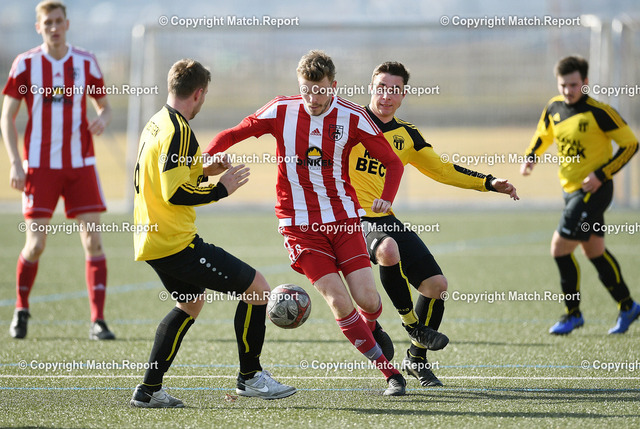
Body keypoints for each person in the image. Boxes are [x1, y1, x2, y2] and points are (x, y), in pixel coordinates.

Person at [205, 50, 450, 396]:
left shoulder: (352, 116)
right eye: (306, 90)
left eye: (320, 90)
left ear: (333, 86)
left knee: (368, 300)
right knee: (339, 301)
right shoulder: (281, 110)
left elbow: (393, 163)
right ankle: (391, 373)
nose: (313, 98)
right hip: (299, 227)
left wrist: (387, 197)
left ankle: (372, 326)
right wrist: (208, 157)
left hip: (344, 221)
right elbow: (232, 134)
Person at [130, 59, 296, 408]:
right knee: (258, 290)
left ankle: (149, 390)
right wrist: (221, 189)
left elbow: (167, 173)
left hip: (152, 239)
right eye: (205, 96)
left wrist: (203, 168)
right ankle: (251, 377)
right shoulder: (179, 131)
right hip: (175, 243)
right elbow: (175, 192)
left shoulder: (158, 122)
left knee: (190, 303)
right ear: (199, 93)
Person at [349, 61, 519, 387]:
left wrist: (488, 182)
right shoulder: (348, 121)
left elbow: (442, 169)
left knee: (436, 286)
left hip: (385, 219)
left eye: (394, 90)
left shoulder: (407, 134)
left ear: (403, 95)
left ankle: (416, 358)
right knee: (388, 249)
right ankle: (411, 324)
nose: (386, 96)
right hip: (351, 218)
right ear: (371, 87)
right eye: (381, 87)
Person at [1, 1, 115, 340]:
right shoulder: (25, 64)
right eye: (47, 22)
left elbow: (105, 106)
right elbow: (7, 117)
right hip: (39, 167)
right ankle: (21, 308)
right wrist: (15, 161)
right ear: (39, 27)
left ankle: (98, 320)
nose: (54, 27)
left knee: (93, 240)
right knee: (36, 244)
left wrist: (103, 119)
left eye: (58, 21)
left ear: (67, 24)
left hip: (81, 165)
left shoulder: (85, 62)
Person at [521, 55, 640, 335]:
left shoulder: (601, 112)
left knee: (559, 249)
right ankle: (628, 306)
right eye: (563, 85)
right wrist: (531, 157)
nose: (568, 90)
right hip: (570, 191)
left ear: (585, 82)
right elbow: (543, 135)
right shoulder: (554, 107)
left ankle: (573, 314)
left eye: (574, 85)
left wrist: (601, 174)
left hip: (593, 191)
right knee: (594, 251)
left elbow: (630, 145)